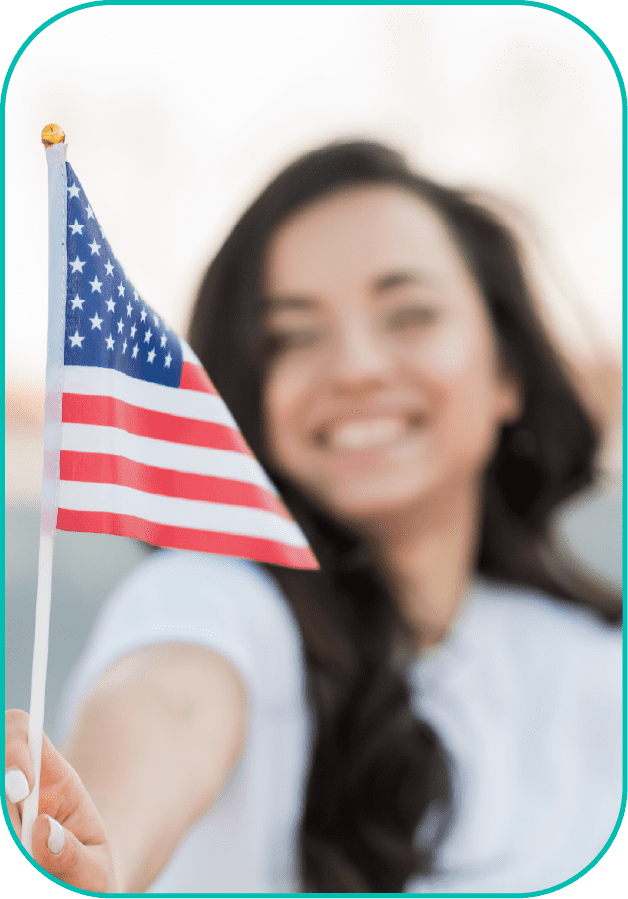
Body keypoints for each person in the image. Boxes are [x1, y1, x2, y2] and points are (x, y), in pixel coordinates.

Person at [5, 141, 621, 893]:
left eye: (410, 314)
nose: (356, 367)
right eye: (292, 335)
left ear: (507, 371)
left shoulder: (595, 665)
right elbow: (169, 699)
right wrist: (100, 844)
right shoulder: (221, 596)